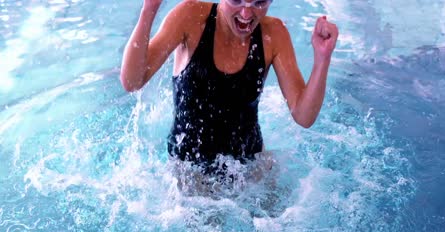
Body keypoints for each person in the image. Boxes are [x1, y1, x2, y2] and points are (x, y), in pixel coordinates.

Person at [120, 0, 339, 177]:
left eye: (259, 3)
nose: (246, 13)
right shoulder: (190, 18)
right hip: (190, 171)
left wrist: (322, 58)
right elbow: (132, 82)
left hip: (250, 169)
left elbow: (303, 116)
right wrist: (149, 8)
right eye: (237, 1)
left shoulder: (274, 34)